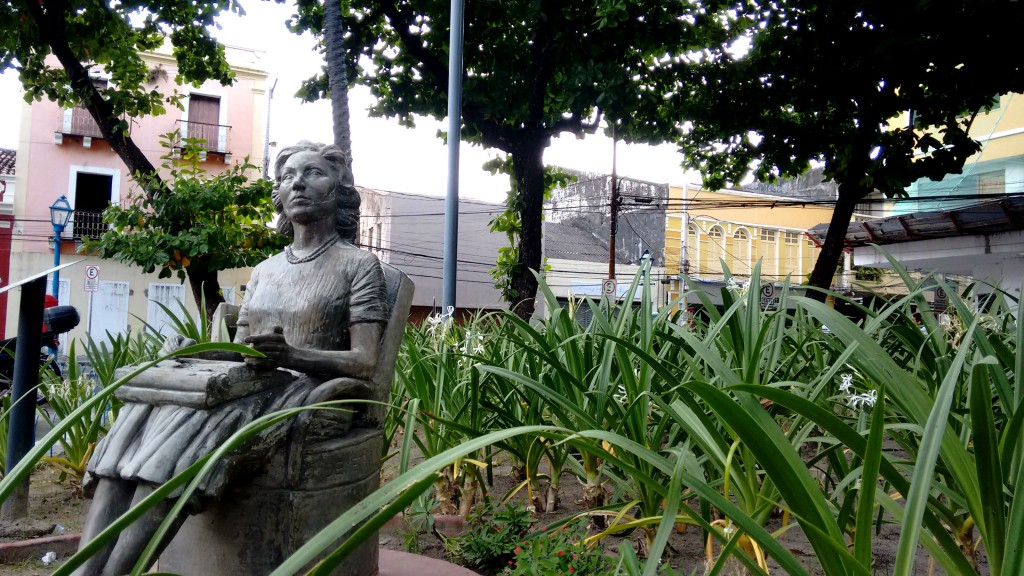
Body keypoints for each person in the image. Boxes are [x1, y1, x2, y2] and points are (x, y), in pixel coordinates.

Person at [73, 142, 389, 576]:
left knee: (173, 448)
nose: (297, 182)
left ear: (339, 190)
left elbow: (365, 360)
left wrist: (295, 355)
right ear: (278, 194)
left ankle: (116, 573)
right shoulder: (265, 269)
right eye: (287, 176)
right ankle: (84, 571)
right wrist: (193, 349)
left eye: (313, 172)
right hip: (248, 382)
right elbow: (240, 347)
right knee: (136, 419)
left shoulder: (358, 266)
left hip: (305, 393)